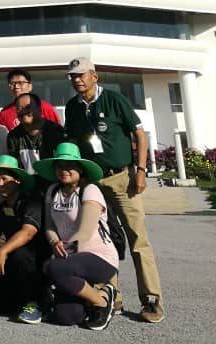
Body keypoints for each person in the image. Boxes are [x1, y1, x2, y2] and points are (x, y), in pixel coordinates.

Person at [63, 57, 163, 323]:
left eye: (81, 75)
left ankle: (151, 299)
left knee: (137, 239)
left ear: (94, 76)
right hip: (92, 182)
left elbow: (139, 134)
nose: (77, 80)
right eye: (73, 76)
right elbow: (72, 141)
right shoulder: (72, 107)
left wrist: (140, 170)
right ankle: (110, 295)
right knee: (99, 240)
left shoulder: (115, 100)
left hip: (121, 178)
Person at [35, 142, 119, 330]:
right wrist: (54, 242)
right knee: (67, 316)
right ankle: (95, 293)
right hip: (69, 259)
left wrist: (62, 252)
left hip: (98, 257)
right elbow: (49, 226)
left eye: (70, 166)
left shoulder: (90, 190)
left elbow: (85, 232)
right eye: (59, 166)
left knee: (52, 267)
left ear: (80, 168)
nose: (64, 170)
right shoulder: (52, 191)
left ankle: (102, 301)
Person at [0, 155, 46, 323]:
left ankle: (36, 303)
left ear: (17, 181)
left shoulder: (31, 203)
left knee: (20, 253)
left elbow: (28, 232)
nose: (0, 183)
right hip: (13, 266)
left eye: (4, 179)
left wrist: (2, 251)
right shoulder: (0, 210)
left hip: (37, 264)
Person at [7, 92, 67, 175]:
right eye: (19, 108)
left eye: (28, 107)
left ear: (39, 109)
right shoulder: (13, 136)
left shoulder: (56, 131)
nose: (23, 111)